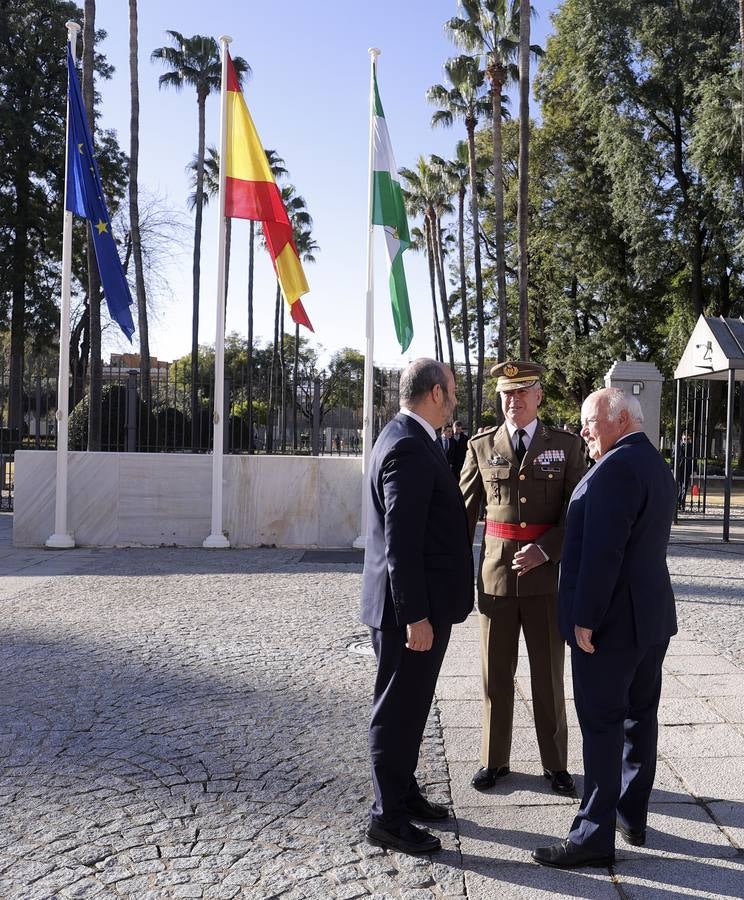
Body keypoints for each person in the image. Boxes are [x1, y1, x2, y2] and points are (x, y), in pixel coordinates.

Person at [532, 388, 677, 869]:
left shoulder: (615, 468)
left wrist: (586, 618)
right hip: (650, 619)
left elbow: (603, 552)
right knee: (640, 718)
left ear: (619, 419)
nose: (583, 430)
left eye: (589, 420)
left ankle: (593, 836)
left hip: (611, 626)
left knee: (601, 725)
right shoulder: (654, 462)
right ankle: (630, 814)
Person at [361, 358, 474, 855]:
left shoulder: (407, 436)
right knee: (398, 711)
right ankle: (387, 818)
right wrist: (415, 617)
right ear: (434, 393)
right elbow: (401, 544)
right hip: (410, 613)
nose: (456, 398)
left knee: (411, 708)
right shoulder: (408, 446)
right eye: (451, 389)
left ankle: (403, 794)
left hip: (418, 606)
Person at [459, 360, 586, 795]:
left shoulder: (566, 447)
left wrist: (546, 549)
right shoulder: (481, 446)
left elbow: (578, 516)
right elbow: (464, 514)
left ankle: (556, 765)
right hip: (495, 578)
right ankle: (493, 760)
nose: (513, 400)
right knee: (495, 674)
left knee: (548, 675)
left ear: (538, 396)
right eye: (506, 393)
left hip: (545, 579)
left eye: (521, 391)